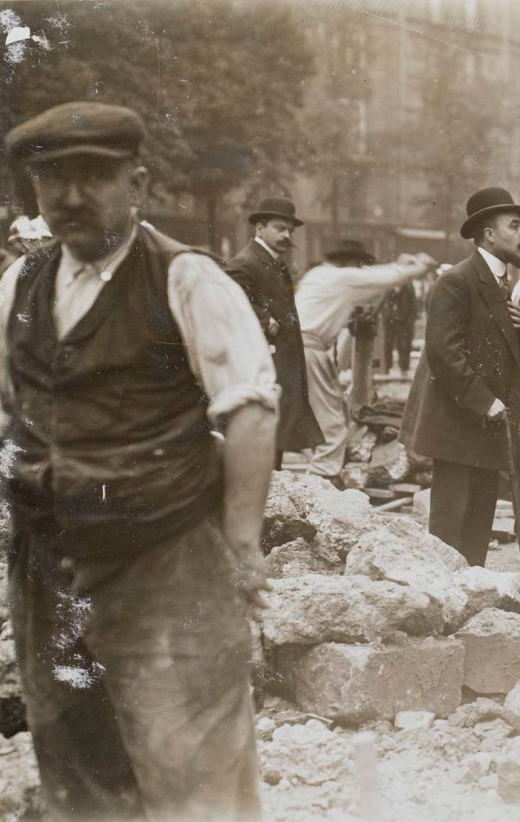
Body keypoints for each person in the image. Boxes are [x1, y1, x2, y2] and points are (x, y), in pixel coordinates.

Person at [1, 101, 275, 820]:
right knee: (76, 761)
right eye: (50, 180)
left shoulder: (187, 280)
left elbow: (248, 410)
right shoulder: (19, 288)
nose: (68, 198)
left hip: (165, 561)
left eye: (93, 176)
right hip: (51, 570)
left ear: (139, 184)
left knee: (195, 769)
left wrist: (243, 545)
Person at [400, 187, 520, 566]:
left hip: (489, 425)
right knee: (450, 526)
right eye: (515, 225)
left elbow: (503, 347)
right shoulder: (457, 281)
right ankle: (442, 600)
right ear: (489, 235)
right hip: (458, 424)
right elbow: (444, 352)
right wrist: (485, 401)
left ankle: (472, 597)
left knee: (479, 522)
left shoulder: (506, 285)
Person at [296, 239, 432, 479]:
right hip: (310, 350)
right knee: (334, 425)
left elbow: (369, 284)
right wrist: (420, 266)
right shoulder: (343, 278)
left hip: (302, 349)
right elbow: (383, 279)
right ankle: (320, 480)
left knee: (327, 415)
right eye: (359, 266)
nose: (360, 271)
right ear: (349, 263)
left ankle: (320, 471)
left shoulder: (317, 275)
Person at [225, 196, 324, 467]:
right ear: (259, 228)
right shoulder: (245, 262)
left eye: (290, 230)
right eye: (280, 228)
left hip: (280, 362)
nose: (286, 235)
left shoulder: (274, 262)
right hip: (262, 363)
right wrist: (264, 318)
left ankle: (270, 495)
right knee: (261, 437)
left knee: (275, 435)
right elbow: (230, 300)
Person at [381, 278, 417, 376]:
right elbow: (385, 304)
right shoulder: (389, 288)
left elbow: (413, 305)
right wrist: (388, 316)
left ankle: (404, 368)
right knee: (388, 344)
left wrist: (409, 320)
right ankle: (386, 367)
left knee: (404, 345)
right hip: (390, 321)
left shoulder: (408, 288)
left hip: (404, 321)